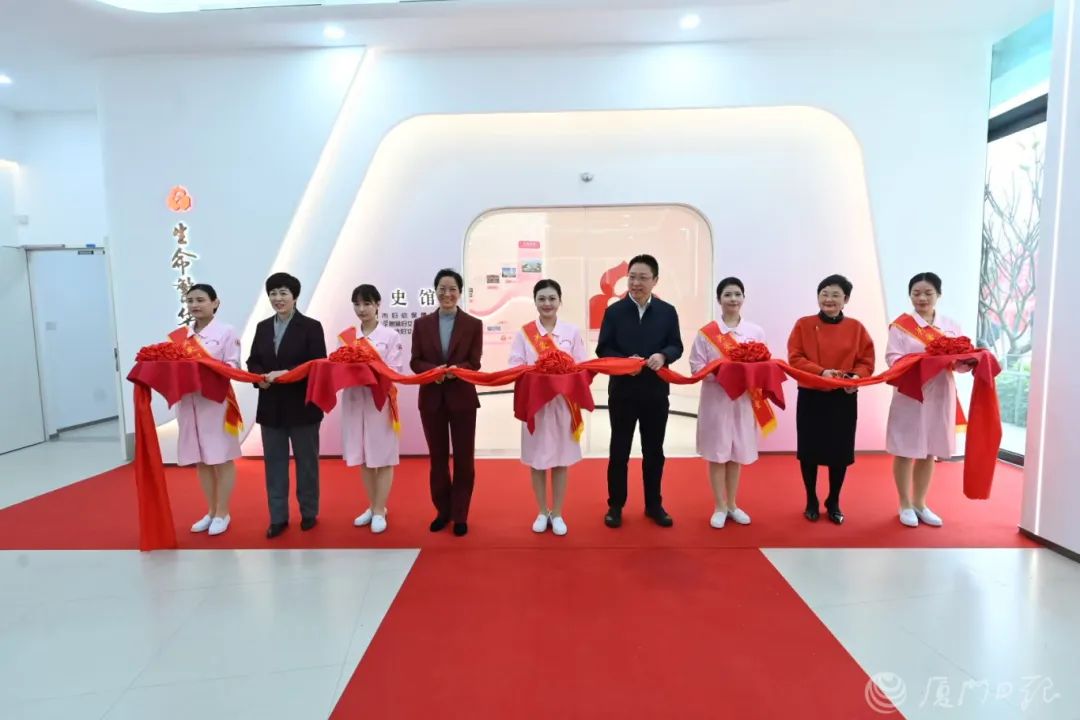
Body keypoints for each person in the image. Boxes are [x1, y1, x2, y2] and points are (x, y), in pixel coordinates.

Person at [596, 253, 683, 528]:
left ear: (655, 280)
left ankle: (654, 504)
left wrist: (663, 355)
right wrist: (625, 362)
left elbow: (676, 345)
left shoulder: (667, 312)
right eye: (632, 277)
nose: (636, 283)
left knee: (654, 451)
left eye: (643, 278)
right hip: (622, 392)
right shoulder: (614, 311)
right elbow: (603, 349)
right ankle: (615, 505)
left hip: (655, 393)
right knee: (619, 451)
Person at [886, 272, 973, 528]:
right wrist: (921, 362)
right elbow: (892, 358)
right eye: (916, 293)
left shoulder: (951, 325)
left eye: (928, 293)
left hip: (941, 393)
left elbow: (959, 362)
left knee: (929, 450)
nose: (921, 298)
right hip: (911, 393)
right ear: (910, 295)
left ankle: (920, 503)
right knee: (905, 450)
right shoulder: (900, 326)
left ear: (939, 295)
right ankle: (904, 503)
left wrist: (966, 362)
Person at [787, 274, 875, 525]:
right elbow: (795, 357)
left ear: (845, 300)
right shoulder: (803, 324)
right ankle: (811, 499)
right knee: (809, 451)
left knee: (840, 452)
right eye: (824, 294)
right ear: (818, 297)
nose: (829, 299)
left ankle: (833, 500)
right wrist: (822, 372)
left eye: (836, 295)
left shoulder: (856, 327)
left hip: (842, 397)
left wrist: (855, 378)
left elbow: (866, 360)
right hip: (812, 395)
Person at [246, 272, 327, 538]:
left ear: (295, 296)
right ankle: (278, 517)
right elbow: (253, 360)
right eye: (273, 293)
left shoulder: (311, 327)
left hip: (303, 406)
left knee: (307, 464)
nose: (277, 298)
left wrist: (287, 373)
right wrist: (259, 378)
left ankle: (309, 512)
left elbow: (318, 363)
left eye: (283, 293)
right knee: (274, 465)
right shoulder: (262, 327)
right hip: (271, 406)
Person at [507, 279, 588, 536]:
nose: (547, 303)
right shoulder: (525, 333)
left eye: (552, 298)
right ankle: (542, 511)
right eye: (541, 298)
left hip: (564, 405)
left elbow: (582, 366)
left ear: (560, 301)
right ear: (535, 301)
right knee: (538, 460)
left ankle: (558, 513)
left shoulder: (571, 332)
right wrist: (540, 370)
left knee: (561, 460)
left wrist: (563, 371)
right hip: (536, 406)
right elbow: (515, 365)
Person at [689, 277, 767, 529]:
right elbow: (696, 367)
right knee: (718, 453)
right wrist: (723, 375)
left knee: (736, 453)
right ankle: (719, 506)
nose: (733, 299)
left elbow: (763, 365)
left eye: (737, 294)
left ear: (743, 298)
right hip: (716, 400)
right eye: (727, 295)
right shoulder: (706, 333)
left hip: (743, 401)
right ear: (719, 299)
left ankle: (732, 504)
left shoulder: (755, 331)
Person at [410, 269, 483, 537]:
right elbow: (415, 361)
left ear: (460, 292)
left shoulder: (473, 324)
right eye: (442, 289)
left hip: (462, 399)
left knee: (464, 460)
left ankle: (460, 514)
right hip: (432, 400)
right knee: (438, 460)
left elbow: (474, 362)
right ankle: (443, 511)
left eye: (452, 289)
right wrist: (434, 371)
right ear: (435, 291)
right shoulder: (422, 324)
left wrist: (454, 371)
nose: (447, 294)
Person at [177, 284, 242, 537]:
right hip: (189, 403)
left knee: (220, 457)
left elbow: (233, 365)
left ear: (215, 303)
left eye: (201, 300)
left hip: (216, 403)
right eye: (190, 300)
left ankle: (223, 512)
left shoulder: (226, 331)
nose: (195, 305)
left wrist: (206, 367)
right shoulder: (181, 336)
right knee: (201, 460)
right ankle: (211, 510)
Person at [340, 284, 406, 534]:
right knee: (364, 457)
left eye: (367, 303)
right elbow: (338, 366)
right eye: (357, 304)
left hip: (380, 401)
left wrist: (370, 369)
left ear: (378, 305)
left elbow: (395, 370)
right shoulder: (347, 336)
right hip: (354, 400)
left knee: (384, 457)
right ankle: (373, 506)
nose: (362, 309)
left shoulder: (390, 335)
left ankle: (380, 510)